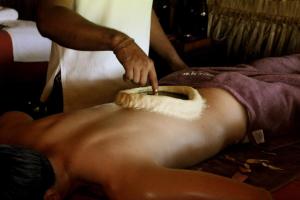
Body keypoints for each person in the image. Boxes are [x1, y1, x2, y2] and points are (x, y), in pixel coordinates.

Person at [1, 53, 300, 200]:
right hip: (182, 80)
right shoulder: (15, 134)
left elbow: (257, 197)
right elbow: (12, 113)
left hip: (245, 101)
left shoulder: (125, 180)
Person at [36, 0, 188, 112]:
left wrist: (174, 61)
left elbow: (141, 9)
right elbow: (49, 16)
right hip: (77, 89)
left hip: (129, 89)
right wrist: (121, 43)